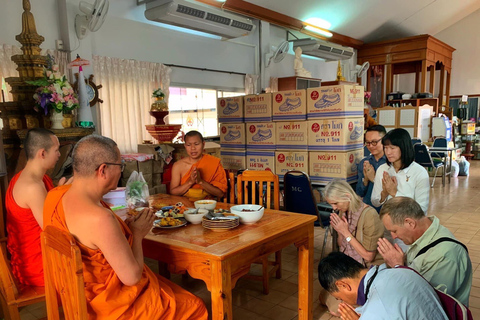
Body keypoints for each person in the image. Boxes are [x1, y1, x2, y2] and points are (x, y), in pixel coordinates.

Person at [43, 135, 208, 319]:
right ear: (103, 170)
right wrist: (137, 234)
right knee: (196, 306)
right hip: (111, 309)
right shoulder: (100, 218)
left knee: (165, 285)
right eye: (120, 166)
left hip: (76, 296)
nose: (121, 172)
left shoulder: (54, 196)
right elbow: (131, 278)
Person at [377, 197, 472, 306]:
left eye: (394, 231)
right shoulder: (423, 236)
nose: (394, 236)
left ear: (410, 223)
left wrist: (398, 266)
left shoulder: (445, 254)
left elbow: (426, 302)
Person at [5, 128, 70, 286]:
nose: (59, 154)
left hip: (39, 257)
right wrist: (64, 192)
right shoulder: (31, 187)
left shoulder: (30, 177)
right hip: (38, 266)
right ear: (42, 153)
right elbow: (52, 231)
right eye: (56, 150)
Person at [317, 252, 448, 320]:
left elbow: (382, 310)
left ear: (343, 285)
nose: (342, 301)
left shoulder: (377, 309)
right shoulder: (401, 271)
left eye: (339, 298)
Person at [320, 180, 385, 317]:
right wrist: (340, 231)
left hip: (367, 267)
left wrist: (346, 233)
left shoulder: (369, 215)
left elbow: (368, 256)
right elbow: (341, 246)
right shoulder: (342, 212)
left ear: (347, 196)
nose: (334, 208)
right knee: (326, 294)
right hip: (349, 265)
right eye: (331, 204)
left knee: (336, 306)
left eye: (336, 203)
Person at [371, 128, 430, 213]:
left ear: (404, 148)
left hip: (410, 222)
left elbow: (421, 210)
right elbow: (375, 202)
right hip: (388, 220)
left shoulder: (419, 172)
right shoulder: (382, 169)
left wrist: (394, 193)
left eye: (392, 148)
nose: (388, 152)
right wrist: (384, 193)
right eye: (385, 148)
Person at [170, 130, 227, 201]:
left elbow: (220, 193)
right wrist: (190, 182)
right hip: (185, 206)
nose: (193, 148)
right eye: (188, 145)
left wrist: (200, 181)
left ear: (203, 144)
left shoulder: (213, 162)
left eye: (196, 144)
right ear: (185, 146)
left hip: (208, 205)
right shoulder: (178, 166)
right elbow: (173, 192)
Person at [355, 125, 387, 213]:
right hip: (367, 210)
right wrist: (365, 180)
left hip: (386, 210)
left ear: (384, 140)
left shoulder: (391, 162)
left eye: (374, 142)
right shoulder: (364, 162)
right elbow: (359, 192)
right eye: (367, 143)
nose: (370, 146)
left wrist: (373, 178)